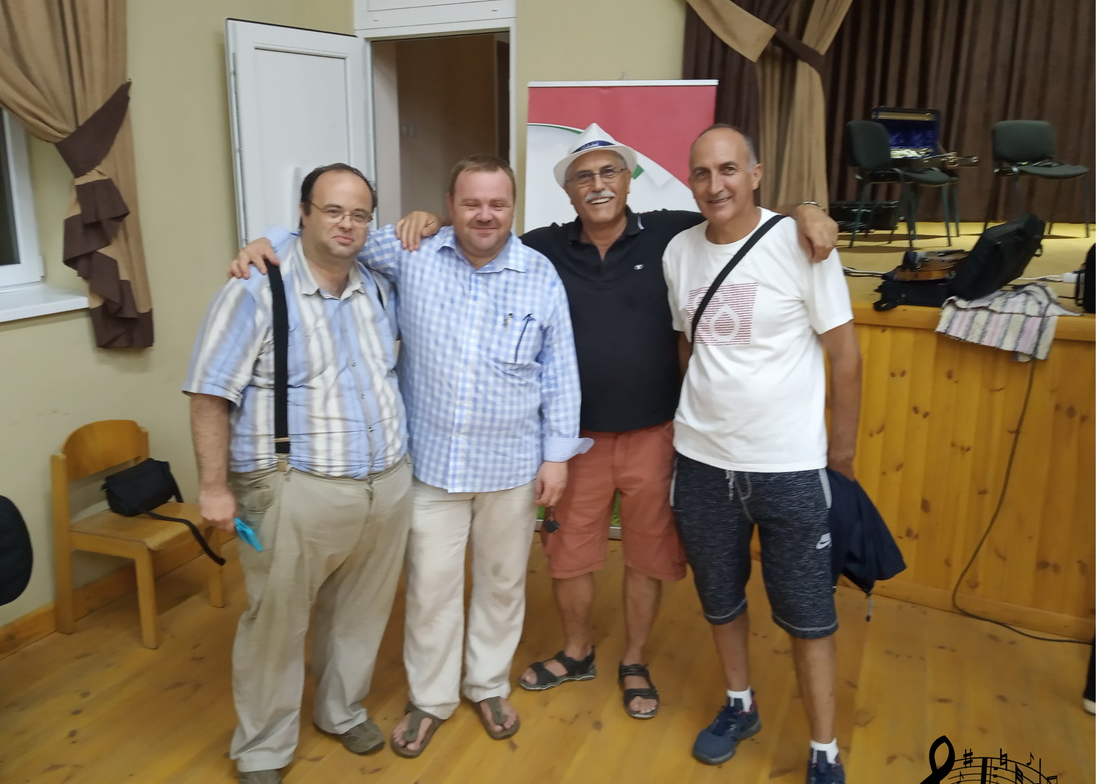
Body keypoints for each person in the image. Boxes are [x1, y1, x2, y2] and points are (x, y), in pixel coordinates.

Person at [353, 124, 839, 720]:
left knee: (646, 556)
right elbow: (468, 234)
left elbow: (738, 210)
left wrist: (806, 209)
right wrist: (426, 220)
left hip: (657, 433)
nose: (598, 184)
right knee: (570, 555)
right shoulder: (541, 249)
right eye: (584, 176)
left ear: (629, 181)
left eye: (610, 172)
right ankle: (577, 651)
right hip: (577, 440)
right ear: (568, 191)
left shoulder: (672, 231)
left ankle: (634, 659)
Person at [238, 155, 590, 759]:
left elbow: (560, 370)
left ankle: (487, 684)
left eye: (497, 204)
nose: (485, 215)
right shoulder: (409, 251)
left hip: (512, 467)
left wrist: (557, 457)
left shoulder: (540, 274)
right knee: (430, 590)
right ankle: (431, 697)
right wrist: (265, 242)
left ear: (513, 208)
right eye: (471, 203)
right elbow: (331, 234)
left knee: (503, 585)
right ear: (450, 206)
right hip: (430, 466)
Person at [184, 164, 413, 784]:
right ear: (304, 214)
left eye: (360, 214)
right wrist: (213, 487)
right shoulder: (255, 287)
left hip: (385, 481)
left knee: (362, 612)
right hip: (294, 486)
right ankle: (261, 748)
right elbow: (209, 392)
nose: (347, 225)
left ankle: (341, 710)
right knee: (276, 624)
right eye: (333, 210)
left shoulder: (377, 285)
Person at [663, 125, 862, 784]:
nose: (714, 184)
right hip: (702, 463)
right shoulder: (678, 252)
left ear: (755, 173)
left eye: (728, 169)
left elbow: (845, 356)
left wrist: (840, 460)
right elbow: (689, 344)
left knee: (809, 616)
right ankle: (740, 704)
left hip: (789, 467)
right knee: (720, 600)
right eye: (701, 172)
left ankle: (825, 752)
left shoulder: (802, 243)